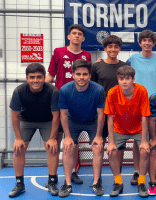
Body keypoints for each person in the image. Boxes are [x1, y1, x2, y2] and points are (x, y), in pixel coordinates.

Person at [45, 24, 92, 185]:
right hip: (60, 100)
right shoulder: (59, 52)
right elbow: (51, 74)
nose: (77, 36)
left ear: (83, 38)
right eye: (74, 33)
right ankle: (53, 175)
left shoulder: (86, 55)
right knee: (57, 137)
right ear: (69, 36)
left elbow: (89, 77)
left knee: (72, 139)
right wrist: (41, 92)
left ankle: (72, 172)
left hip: (78, 101)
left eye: (80, 34)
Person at [9, 63, 60, 197]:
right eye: (32, 77)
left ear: (44, 78)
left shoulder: (53, 91)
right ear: (27, 78)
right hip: (26, 121)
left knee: (52, 148)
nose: (35, 80)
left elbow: (56, 116)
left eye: (39, 77)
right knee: (18, 149)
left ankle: (52, 182)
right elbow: (14, 116)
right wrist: (18, 138)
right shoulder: (19, 91)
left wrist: (53, 138)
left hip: (47, 120)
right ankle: (20, 184)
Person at [58, 59, 106, 197]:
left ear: (89, 75)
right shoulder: (65, 90)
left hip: (92, 121)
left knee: (97, 147)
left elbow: (100, 115)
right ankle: (67, 184)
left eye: (85, 74)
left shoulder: (98, 90)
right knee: (68, 148)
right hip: (73, 121)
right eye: (78, 74)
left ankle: (96, 182)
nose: (81, 77)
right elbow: (63, 114)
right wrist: (67, 137)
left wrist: (98, 136)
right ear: (73, 75)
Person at [126, 30, 156, 185]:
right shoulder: (132, 58)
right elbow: (121, 73)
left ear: (154, 43)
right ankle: (137, 171)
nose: (147, 43)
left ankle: (152, 170)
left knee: (152, 139)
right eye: (144, 40)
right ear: (140, 43)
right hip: (136, 103)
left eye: (150, 40)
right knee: (138, 141)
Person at [105, 65, 151, 197]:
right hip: (119, 128)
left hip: (138, 128)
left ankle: (141, 183)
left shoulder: (142, 91)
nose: (124, 81)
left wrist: (143, 141)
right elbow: (109, 118)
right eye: (121, 78)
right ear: (117, 79)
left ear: (133, 79)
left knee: (144, 151)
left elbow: (144, 116)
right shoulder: (112, 92)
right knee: (112, 152)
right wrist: (111, 142)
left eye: (127, 78)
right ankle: (118, 182)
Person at [90, 35, 127, 186]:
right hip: (102, 113)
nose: (113, 49)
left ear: (119, 48)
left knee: (118, 147)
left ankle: (117, 180)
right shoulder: (96, 66)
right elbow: (91, 88)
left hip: (119, 113)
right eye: (109, 47)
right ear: (105, 49)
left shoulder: (125, 66)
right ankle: (96, 180)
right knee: (99, 145)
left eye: (116, 46)